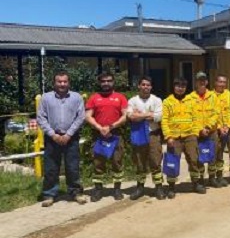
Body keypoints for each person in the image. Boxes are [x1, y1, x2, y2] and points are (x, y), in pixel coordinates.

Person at [37, 71, 86, 207]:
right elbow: (41, 117)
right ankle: (49, 194)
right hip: (52, 137)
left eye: (65, 81)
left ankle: (76, 192)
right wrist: (53, 134)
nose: (62, 84)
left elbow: (80, 117)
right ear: (54, 83)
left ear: (68, 82)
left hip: (71, 137)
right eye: (59, 81)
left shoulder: (77, 97)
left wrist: (68, 134)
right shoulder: (46, 98)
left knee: (73, 167)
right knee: (51, 167)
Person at [85, 72, 128, 202]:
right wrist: (100, 128)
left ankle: (117, 189)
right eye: (103, 81)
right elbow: (87, 116)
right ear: (100, 83)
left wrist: (111, 126)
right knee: (98, 162)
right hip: (99, 135)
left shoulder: (120, 97)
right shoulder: (94, 98)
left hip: (115, 134)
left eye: (109, 81)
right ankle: (98, 190)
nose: (106, 83)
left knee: (117, 162)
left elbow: (125, 116)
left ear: (113, 82)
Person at [162, 77, 204, 198]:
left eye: (183, 86)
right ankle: (171, 187)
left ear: (186, 88)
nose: (180, 89)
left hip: (190, 136)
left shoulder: (191, 101)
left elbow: (196, 119)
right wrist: (168, 137)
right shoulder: (167, 101)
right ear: (174, 87)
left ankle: (196, 183)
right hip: (174, 138)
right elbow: (164, 121)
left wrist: (195, 133)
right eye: (178, 86)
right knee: (172, 162)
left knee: (194, 159)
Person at [127, 76, 164, 200]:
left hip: (153, 134)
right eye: (143, 84)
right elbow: (131, 117)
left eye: (148, 85)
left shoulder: (157, 100)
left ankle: (158, 187)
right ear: (139, 86)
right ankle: (140, 188)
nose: (145, 87)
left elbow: (158, 117)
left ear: (151, 87)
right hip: (138, 134)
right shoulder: (132, 100)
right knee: (139, 162)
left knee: (155, 161)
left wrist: (139, 115)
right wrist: (148, 114)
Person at [192, 72, 220, 187]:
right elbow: (191, 116)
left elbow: (216, 113)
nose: (202, 82)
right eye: (199, 80)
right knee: (199, 156)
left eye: (204, 80)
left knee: (213, 155)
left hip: (211, 131)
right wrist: (200, 129)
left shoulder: (213, 96)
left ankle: (212, 178)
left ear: (207, 82)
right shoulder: (190, 98)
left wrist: (208, 127)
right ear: (196, 82)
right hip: (198, 133)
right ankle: (201, 179)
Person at [213, 74, 230, 185]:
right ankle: (219, 176)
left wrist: (228, 126)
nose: (222, 84)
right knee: (218, 152)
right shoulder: (210, 96)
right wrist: (219, 127)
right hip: (216, 128)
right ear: (215, 82)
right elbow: (211, 113)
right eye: (220, 82)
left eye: (224, 82)